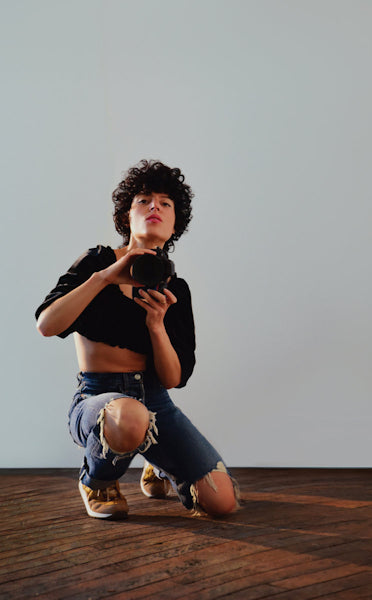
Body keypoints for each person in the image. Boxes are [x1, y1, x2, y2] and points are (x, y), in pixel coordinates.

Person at [35, 159, 240, 519]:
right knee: (131, 415)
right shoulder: (97, 262)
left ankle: (156, 461)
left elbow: (173, 378)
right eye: (143, 200)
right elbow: (47, 325)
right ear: (126, 216)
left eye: (165, 203)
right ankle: (98, 481)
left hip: (156, 401)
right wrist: (103, 278)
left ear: (175, 225)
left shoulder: (175, 290)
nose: (154, 207)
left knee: (222, 502)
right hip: (99, 399)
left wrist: (157, 325)